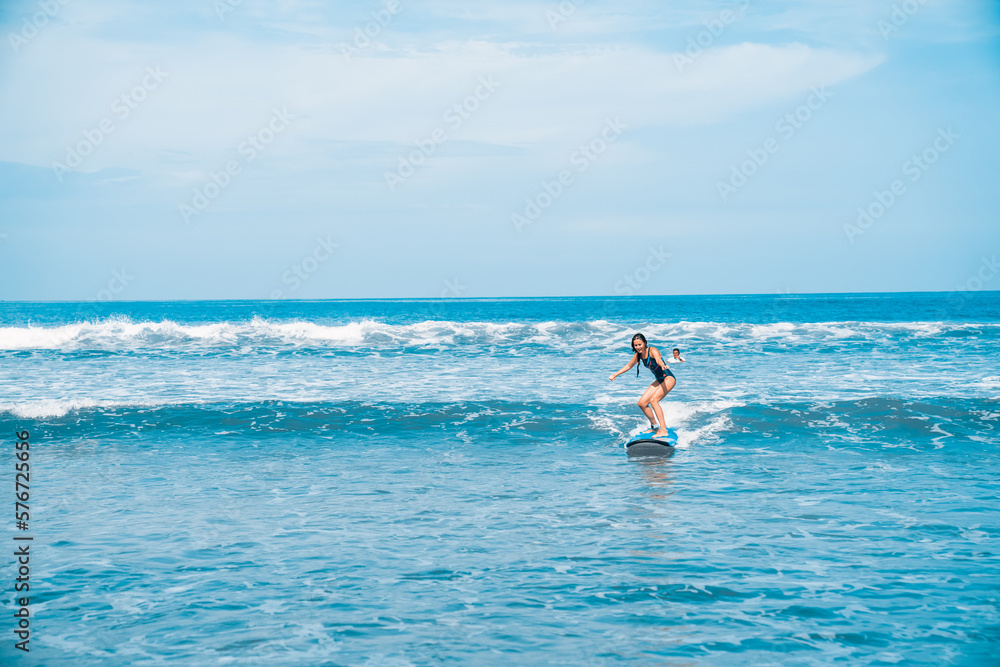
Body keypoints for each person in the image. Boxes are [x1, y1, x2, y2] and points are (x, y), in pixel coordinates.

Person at [608, 333, 676, 438]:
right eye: (635, 345)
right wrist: (615, 374)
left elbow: (658, 359)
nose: (638, 347)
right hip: (659, 379)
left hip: (668, 378)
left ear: (644, 343)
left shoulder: (652, 350)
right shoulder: (638, 354)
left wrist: (663, 365)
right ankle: (655, 427)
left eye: (640, 344)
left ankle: (663, 430)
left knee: (654, 400)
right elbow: (629, 365)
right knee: (642, 403)